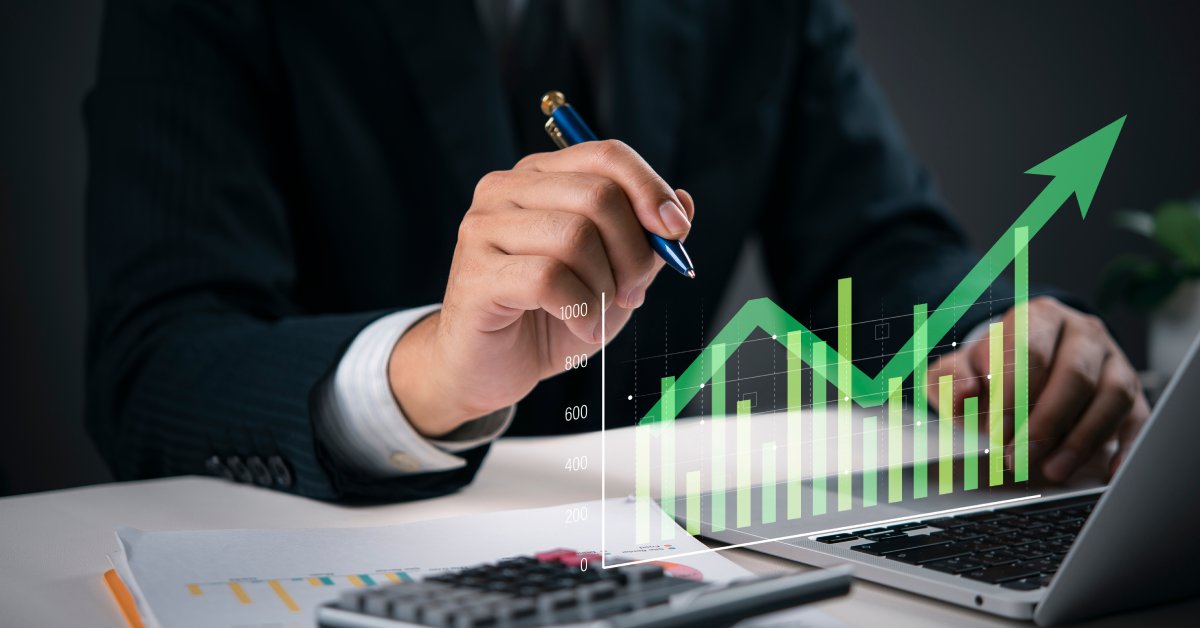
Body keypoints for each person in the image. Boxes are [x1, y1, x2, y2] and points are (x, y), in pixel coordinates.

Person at [85, 0, 1147, 502]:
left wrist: (1001, 335)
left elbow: (877, 240)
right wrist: (433, 372)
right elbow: (158, 358)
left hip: (665, 558)